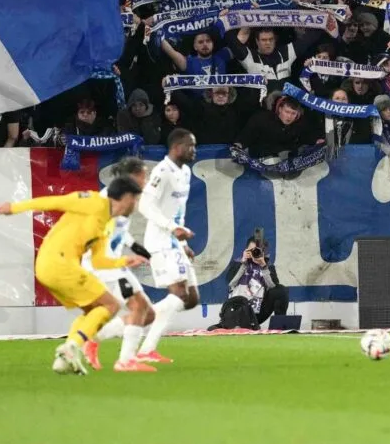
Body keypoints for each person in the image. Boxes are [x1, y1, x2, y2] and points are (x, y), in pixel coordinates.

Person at [0, 175, 147, 375]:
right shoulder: (92, 201)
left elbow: (99, 261)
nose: (135, 205)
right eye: (135, 199)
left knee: (91, 311)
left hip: (49, 267)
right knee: (111, 305)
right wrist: (14, 207)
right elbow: (54, 201)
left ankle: (64, 358)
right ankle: (72, 347)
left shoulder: (105, 223)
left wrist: (124, 261)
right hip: (59, 263)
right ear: (125, 198)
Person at [82, 158, 159, 373]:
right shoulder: (106, 200)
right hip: (103, 266)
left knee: (149, 314)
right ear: (131, 176)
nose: (146, 180)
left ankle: (94, 339)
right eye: (143, 175)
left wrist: (136, 247)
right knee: (139, 308)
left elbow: (120, 231)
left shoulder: (125, 197)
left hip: (114, 264)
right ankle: (126, 361)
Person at [133, 129, 200, 366]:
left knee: (191, 299)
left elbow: (177, 211)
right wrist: (172, 229)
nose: (195, 150)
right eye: (191, 146)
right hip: (160, 241)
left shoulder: (186, 171)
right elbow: (145, 206)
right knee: (178, 294)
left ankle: (140, 323)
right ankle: (141, 339)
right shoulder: (162, 171)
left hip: (173, 241)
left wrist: (181, 242)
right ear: (177, 147)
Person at [216, 230, 289, 329]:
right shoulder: (237, 263)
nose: (254, 253)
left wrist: (263, 266)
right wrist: (243, 263)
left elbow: (273, 288)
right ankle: (229, 324)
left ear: (263, 251)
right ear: (246, 250)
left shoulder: (268, 265)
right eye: (251, 250)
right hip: (238, 310)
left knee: (281, 290)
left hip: (257, 312)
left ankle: (280, 327)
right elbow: (230, 283)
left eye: (257, 250)